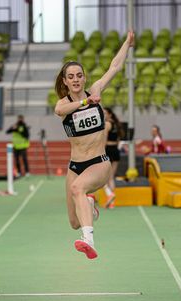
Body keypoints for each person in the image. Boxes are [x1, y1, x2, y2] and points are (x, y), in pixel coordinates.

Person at [54, 31, 134, 260]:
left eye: (79, 75)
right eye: (71, 77)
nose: (76, 79)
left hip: (98, 162)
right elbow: (60, 111)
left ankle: (89, 239)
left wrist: (127, 44)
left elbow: (115, 67)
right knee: (73, 221)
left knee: (78, 189)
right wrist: (85, 102)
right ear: (65, 81)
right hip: (75, 166)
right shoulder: (64, 103)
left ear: (84, 77)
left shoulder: (97, 90)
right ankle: (91, 207)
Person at [103, 107, 124, 209]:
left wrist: (101, 151)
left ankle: (109, 195)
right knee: (111, 177)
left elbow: (104, 140)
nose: (104, 115)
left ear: (110, 114)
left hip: (108, 151)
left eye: (105, 113)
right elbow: (119, 140)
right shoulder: (117, 125)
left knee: (104, 178)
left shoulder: (107, 124)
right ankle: (111, 202)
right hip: (116, 151)